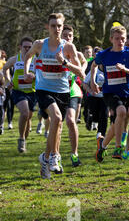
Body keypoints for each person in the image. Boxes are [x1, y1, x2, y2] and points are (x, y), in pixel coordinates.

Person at [23, 13, 84, 179]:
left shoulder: (69, 48)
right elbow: (27, 56)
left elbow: (81, 73)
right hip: (43, 89)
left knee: (58, 126)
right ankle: (55, 156)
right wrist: (27, 72)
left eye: (59, 26)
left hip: (63, 91)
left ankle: (45, 158)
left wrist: (65, 62)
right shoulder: (39, 44)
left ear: (63, 27)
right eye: (53, 26)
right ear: (47, 27)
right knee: (56, 118)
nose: (56, 29)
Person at [91, 25, 129, 162]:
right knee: (121, 112)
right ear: (111, 39)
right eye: (117, 39)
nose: (120, 41)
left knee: (118, 123)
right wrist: (92, 81)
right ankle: (118, 148)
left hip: (126, 93)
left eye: (122, 39)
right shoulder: (104, 54)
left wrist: (126, 69)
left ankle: (102, 146)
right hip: (109, 92)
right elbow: (93, 65)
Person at [2, 37, 37, 152]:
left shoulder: (36, 60)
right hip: (18, 91)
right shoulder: (15, 59)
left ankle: (24, 142)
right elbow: (5, 68)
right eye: (25, 47)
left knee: (28, 117)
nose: (27, 49)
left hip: (32, 92)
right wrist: (8, 80)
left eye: (29, 47)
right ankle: (21, 138)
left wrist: (34, 77)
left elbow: (42, 74)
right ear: (20, 47)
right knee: (25, 112)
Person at [61, 25, 87, 167]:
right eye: (65, 35)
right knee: (57, 123)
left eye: (70, 35)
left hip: (72, 90)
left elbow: (83, 64)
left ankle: (74, 154)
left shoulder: (76, 53)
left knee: (71, 121)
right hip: (56, 90)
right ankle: (54, 154)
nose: (68, 38)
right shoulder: (55, 50)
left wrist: (80, 70)